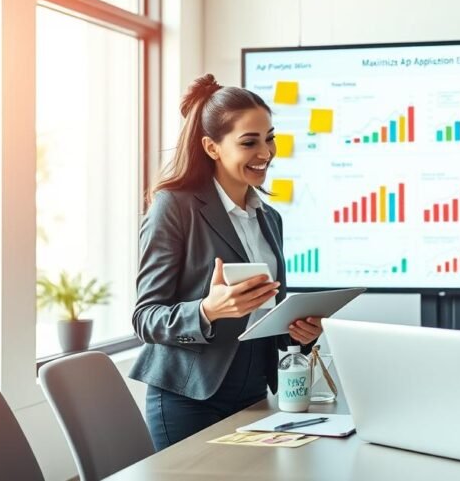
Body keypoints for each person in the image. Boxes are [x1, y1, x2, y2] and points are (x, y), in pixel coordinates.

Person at [129, 74, 323, 450]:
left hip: (254, 395)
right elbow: (145, 318)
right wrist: (206, 311)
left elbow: (263, 315)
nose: (265, 152)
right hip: (189, 399)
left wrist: (298, 329)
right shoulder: (175, 207)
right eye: (249, 142)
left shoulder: (269, 218)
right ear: (212, 147)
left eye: (270, 138)